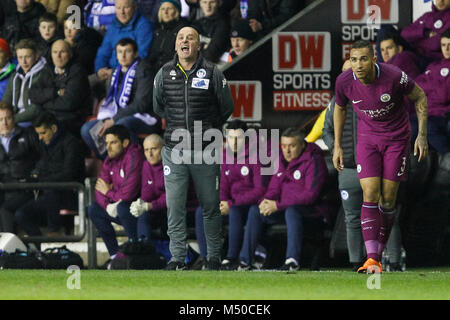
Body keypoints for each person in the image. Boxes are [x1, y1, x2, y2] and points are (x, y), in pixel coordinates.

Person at [333, 40, 429, 274]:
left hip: (396, 140)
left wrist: (422, 135)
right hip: (367, 140)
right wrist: (337, 145)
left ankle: (380, 252)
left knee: (387, 200)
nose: (358, 64)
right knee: (370, 193)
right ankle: (373, 259)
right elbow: (340, 108)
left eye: (363, 59)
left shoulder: (394, 76)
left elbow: (420, 97)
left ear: (374, 59)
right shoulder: (344, 81)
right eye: (354, 60)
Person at [153, 26, 234, 270]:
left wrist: (208, 129)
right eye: (181, 38)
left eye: (191, 38)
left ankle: (213, 258)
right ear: (175, 45)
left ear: (199, 46)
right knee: (175, 207)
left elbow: (226, 107)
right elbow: (158, 108)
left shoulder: (212, 72)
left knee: (210, 206)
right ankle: (177, 258)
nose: (185, 41)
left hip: (204, 149)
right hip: (174, 150)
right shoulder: (164, 73)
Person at [237, 127, 328, 271]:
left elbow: (310, 196)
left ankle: (292, 261)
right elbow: (274, 188)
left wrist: (278, 205)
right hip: (284, 209)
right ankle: (244, 262)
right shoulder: (281, 160)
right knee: (255, 210)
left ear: (302, 145)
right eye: (284, 146)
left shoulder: (314, 160)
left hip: (311, 213)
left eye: (292, 146)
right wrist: (266, 201)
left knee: (292, 211)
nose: (287, 151)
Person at [195, 120, 267, 270]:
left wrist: (232, 203)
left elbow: (260, 190)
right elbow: (223, 184)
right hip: (230, 203)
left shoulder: (256, 156)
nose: (234, 142)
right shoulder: (224, 155)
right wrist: (222, 201)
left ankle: (231, 257)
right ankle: (208, 258)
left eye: (238, 138)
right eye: (230, 138)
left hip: (249, 206)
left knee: (234, 211)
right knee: (201, 211)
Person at [82, 38, 160, 159]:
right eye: (119, 52)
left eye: (127, 51)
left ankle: (133, 163)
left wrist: (114, 119)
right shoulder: (115, 71)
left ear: (135, 53)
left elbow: (141, 104)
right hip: (117, 116)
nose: (123, 55)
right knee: (87, 129)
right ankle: (111, 163)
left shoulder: (144, 69)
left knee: (122, 125)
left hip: (144, 117)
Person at [14, 112, 84, 238]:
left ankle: (54, 232)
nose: (40, 138)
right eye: (38, 134)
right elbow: (42, 167)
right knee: (21, 214)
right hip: (49, 196)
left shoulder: (71, 143)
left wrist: (43, 179)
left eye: (43, 133)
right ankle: (40, 246)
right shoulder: (44, 144)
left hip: (71, 195)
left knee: (50, 188)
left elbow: (69, 174)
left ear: (54, 128)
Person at [87, 125, 144, 269]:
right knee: (93, 209)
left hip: (140, 210)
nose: (108, 147)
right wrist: (107, 205)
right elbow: (99, 189)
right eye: (106, 143)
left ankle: (135, 252)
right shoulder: (109, 160)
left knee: (124, 207)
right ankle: (115, 256)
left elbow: (129, 193)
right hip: (117, 206)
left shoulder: (134, 156)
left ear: (124, 143)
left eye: (113, 143)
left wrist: (109, 193)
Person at [29, 40, 91, 138]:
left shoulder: (78, 72)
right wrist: (55, 92)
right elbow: (32, 94)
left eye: (62, 52)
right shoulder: (48, 69)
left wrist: (43, 102)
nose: (58, 56)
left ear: (70, 54)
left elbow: (68, 103)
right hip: (50, 116)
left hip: (71, 120)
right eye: (55, 52)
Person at [129, 134, 171, 261]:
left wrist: (149, 205)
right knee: (140, 215)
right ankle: (142, 252)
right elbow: (147, 194)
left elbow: (172, 197)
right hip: (158, 210)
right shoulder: (146, 165)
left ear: (163, 149)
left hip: (176, 209)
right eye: (146, 150)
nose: (150, 154)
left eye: (154, 149)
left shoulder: (171, 165)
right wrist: (140, 203)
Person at [0, 101, 39, 233]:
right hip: (3, 188)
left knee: (5, 209)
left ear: (14, 118)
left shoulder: (27, 135)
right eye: (0, 119)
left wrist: (34, 176)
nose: (4, 123)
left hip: (23, 187)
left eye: (8, 118)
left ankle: (7, 250)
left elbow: (41, 158)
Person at [94, 0, 154, 82]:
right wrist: (100, 69)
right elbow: (103, 52)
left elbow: (142, 54)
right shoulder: (113, 26)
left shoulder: (144, 26)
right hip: (108, 72)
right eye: (118, 8)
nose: (122, 12)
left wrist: (116, 72)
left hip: (130, 74)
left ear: (134, 8)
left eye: (126, 7)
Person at [414, 28, 450, 155]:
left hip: (445, 114)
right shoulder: (433, 66)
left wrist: (431, 83)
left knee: (429, 128)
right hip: (430, 113)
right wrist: (439, 83)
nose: (446, 49)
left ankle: (447, 158)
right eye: (444, 45)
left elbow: (443, 96)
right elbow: (416, 86)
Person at [1, 38, 47, 127]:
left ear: (36, 56)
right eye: (20, 57)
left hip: (33, 119)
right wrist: (3, 117)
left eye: (28, 57)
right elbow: (6, 99)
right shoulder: (15, 75)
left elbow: (36, 108)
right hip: (14, 116)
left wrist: (12, 119)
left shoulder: (43, 75)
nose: (24, 61)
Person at [145, 0, 187, 74]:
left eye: (169, 8)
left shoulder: (183, 31)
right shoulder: (157, 32)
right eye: (163, 9)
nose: (165, 12)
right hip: (155, 73)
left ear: (176, 11)